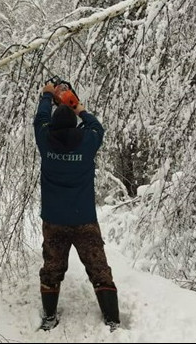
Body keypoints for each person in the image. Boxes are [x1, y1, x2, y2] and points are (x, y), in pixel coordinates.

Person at [32, 82, 120, 331]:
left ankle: (49, 317)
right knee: (99, 268)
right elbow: (96, 126)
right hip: (84, 219)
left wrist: (47, 96)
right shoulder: (88, 142)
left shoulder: (45, 141)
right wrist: (77, 106)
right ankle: (112, 320)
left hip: (54, 220)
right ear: (75, 125)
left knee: (52, 268)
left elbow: (40, 119)